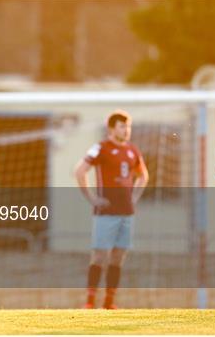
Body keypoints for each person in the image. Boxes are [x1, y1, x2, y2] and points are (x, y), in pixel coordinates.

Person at [75, 110, 149, 309]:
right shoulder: (100, 148)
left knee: (118, 257)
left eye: (128, 127)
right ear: (111, 129)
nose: (126, 130)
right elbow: (80, 171)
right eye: (122, 126)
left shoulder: (133, 150)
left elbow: (143, 176)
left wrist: (134, 197)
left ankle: (109, 301)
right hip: (106, 212)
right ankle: (90, 301)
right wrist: (92, 198)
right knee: (99, 255)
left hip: (127, 212)